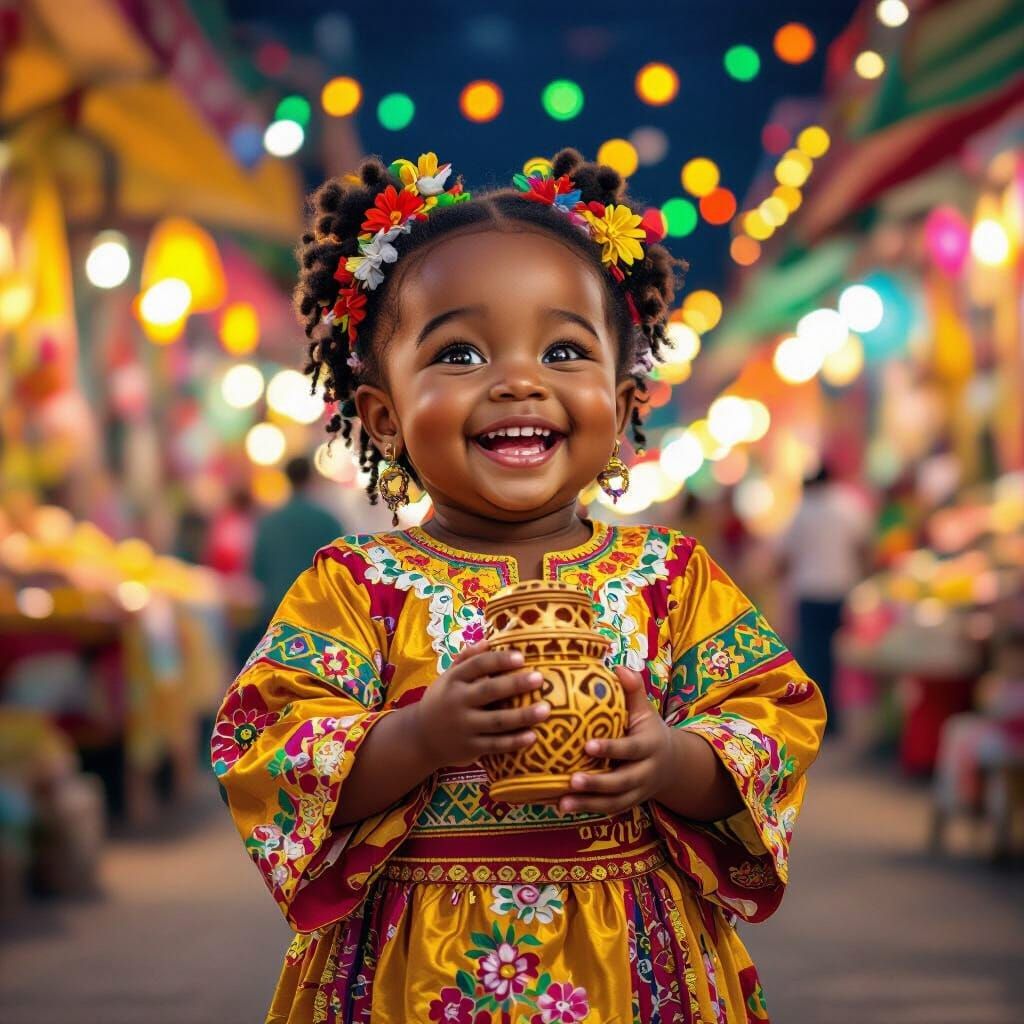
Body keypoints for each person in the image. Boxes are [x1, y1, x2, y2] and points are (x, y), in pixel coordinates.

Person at [213, 149, 825, 1023]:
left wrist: (674, 762)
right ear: (383, 414)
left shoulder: (674, 578)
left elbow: (773, 720)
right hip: (412, 969)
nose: (517, 380)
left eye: (564, 349)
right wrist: (421, 735)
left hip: (636, 963)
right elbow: (268, 752)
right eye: (459, 352)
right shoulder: (356, 585)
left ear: (619, 406)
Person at [780, 466, 871, 737]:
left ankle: (820, 716)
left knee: (813, 656)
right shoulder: (848, 505)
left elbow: (784, 556)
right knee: (840, 657)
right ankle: (837, 716)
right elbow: (863, 546)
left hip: (808, 593)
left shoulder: (801, 511)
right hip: (841, 590)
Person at [250, 457, 344, 631]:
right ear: (310, 478)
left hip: (277, 610)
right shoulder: (327, 521)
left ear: (287, 478)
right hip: (319, 613)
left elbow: (257, 569)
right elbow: (343, 569)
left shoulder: (269, 522)